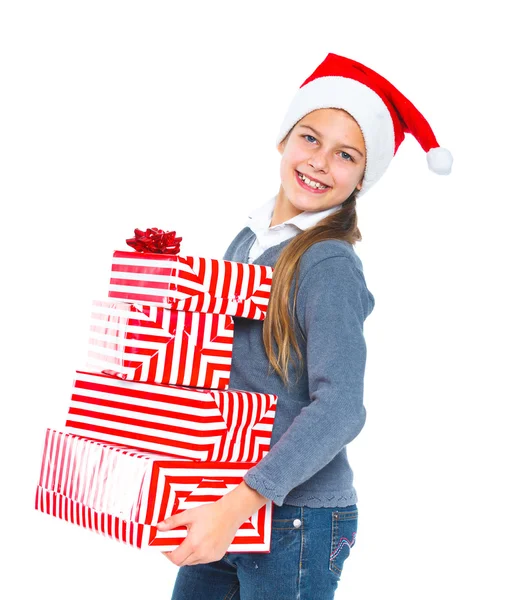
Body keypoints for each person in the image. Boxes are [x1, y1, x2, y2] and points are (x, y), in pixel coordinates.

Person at [156, 52, 453, 599]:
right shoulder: (249, 240)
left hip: (296, 518)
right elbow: (228, 364)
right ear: (283, 140)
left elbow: (340, 406)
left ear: (363, 177)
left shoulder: (328, 264)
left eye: (346, 155)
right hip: (230, 493)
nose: (320, 162)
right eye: (311, 139)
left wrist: (238, 505)